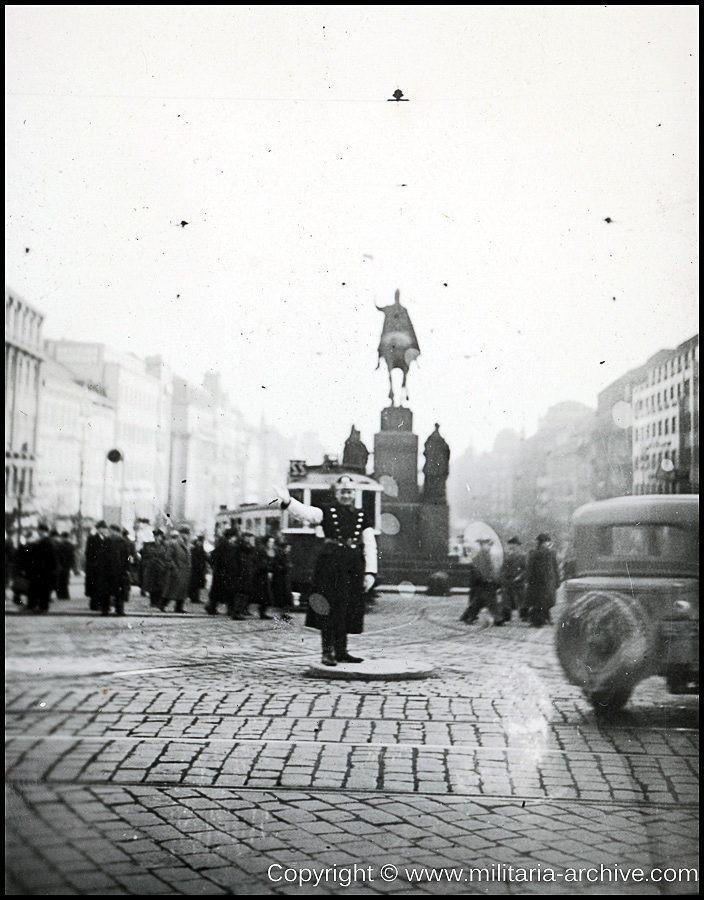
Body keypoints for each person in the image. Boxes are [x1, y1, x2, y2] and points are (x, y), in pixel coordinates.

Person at [275, 475, 377, 666]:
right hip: (330, 567)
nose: (346, 495)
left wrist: (370, 572)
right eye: (342, 491)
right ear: (336, 493)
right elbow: (305, 513)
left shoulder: (362, 515)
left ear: (354, 494)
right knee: (330, 609)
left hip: (353, 567)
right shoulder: (326, 511)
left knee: (347, 609)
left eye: (349, 491)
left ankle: (342, 651)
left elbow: (370, 545)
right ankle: (327, 652)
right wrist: (289, 502)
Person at [460, 538, 502, 625]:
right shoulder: (480, 557)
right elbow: (479, 570)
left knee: (479, 601)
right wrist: (487, 579)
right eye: (487, 545)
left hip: (486, 583)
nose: (489, 547)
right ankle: (497, 618)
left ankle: (468, 617)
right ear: (482, 545)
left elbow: (490, 569)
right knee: (490, 601)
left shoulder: (486, 555)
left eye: (490, 545)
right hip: (484, 582)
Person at [524, 533, 560, 627]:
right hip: (548, 581)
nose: (548, 543)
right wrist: (557, 581)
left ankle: (540, 620)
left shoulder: (534, 552)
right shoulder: (551, 552)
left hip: (537, 581)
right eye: (548, 541)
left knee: (538, 601)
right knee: (545, 601)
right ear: (545, 542)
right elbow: (555, 568)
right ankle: (541, 620)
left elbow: (529, 568)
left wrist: (528, 580)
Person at [206, 528, 241, 617]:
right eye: (234, 537)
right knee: (222, 592)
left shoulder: (230, 546)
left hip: (227, 573)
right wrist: (217, 567)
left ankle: (218, 608)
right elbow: (212, 558)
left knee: (225, 592)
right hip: (222, 573)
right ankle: (213, 608)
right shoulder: (224, 545)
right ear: (231, 537)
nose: (235, 539)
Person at [26, 523, 60, 614]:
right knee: (42, 589)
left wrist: (51, 568)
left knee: (44, 589)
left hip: (45, 570)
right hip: (44, 569)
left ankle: (43, 608)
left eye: (39, 530)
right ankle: (41, 607)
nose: (38, 532)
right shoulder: (45, 541)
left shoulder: (46, 542)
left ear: (43, 531)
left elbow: (51, 557)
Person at [161, 526, 192, 613]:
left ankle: (179, 607)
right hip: (176, 570)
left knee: (181, 590)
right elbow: (168, 557)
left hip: (184, 571)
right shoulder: (174, 543)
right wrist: (173, 567)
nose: (187, 536)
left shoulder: (187, 545)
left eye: (187, 534)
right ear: (181, 534)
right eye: (185, 534)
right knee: (171, 590)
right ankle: (162, 604)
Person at [104, 524, 131, 615]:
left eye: (111, 531)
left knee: (117, 591)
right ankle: (109, 609)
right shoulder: (108, 541)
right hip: (111, 569)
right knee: (109, 591)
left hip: (118, 570)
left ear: (115, 531)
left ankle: (116, 609)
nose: (110, 532)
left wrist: (126, 568)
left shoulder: (121, 542)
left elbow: (126, 556)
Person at [85, 520, 111, 612]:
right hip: (94, 566)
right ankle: (94, 604)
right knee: (94, 585)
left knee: (101, 586)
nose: (104, 530)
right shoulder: (92, 538)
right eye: (103, 529)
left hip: (103, 567)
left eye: (105, 529)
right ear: (98, 529)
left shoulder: (106, 539)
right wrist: (94, 562)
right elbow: (89, 553)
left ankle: (99, 603)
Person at [500, 536, 526, 623]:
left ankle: (524, 615)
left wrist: (520, 576)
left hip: (518, 581)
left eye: (514, 546)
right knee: (506, 599)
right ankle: (506, 616)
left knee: (521, 599)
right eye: (510, 546)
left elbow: (526, 569)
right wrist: (503, 578)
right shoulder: (506, 556)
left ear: (518, 546)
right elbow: (502, 568)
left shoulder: (522, 556)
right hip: (508, 580)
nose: (512, 547)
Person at [141, 528, 168, 608]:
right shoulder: (148, 545)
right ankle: (153, 602)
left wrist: (164, 565)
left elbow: (166, 557)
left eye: (159, 536)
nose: (157, 538)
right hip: (151, 568)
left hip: (161, 568)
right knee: (152, 585)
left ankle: (158, 602)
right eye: (156, 536)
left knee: (160, 585)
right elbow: (144, 556)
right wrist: (146, 564)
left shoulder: (164, 546)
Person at [55, 532, 76, 600]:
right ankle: (65, 595)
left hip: (61, 565)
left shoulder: (58, 545)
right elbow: (72, 557)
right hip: (66, 566)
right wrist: (72, 565)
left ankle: (60, 595)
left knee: (60, 580)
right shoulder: (70, 545)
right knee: (65, 580)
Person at [189, 534, 209, 604]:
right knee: (195, 584)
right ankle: (193, 597)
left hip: (199, 569)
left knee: (197, 584)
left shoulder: (201, 548)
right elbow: (194, 559)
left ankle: (195, 597)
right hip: (195, 569)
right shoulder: (194, 549)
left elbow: (204, 557)